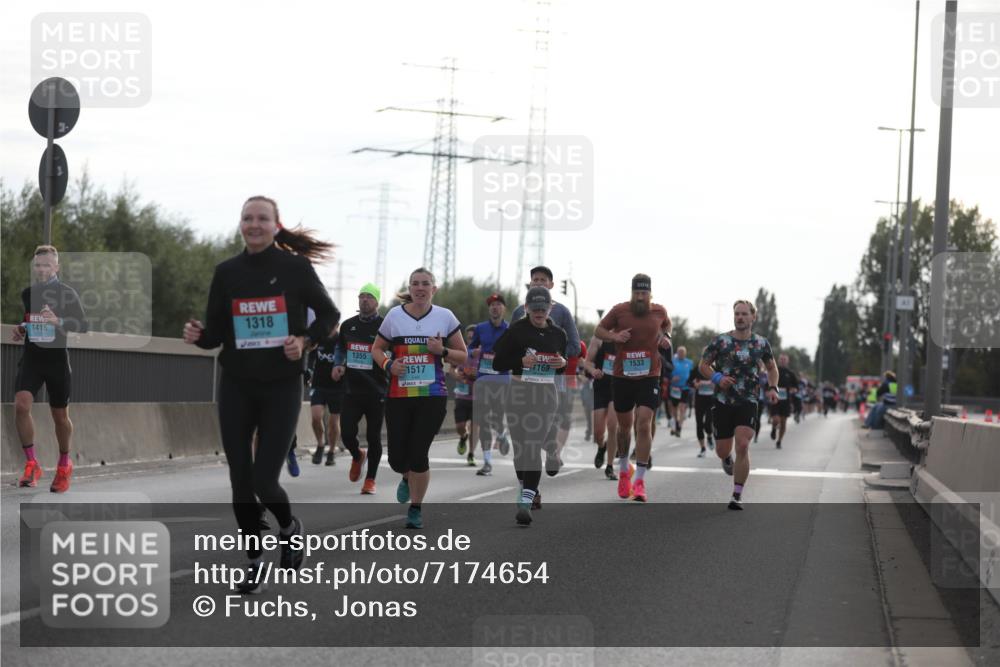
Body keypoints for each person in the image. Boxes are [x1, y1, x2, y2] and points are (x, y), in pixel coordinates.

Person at [183, 195, 338, 593]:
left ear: (275, 225)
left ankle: (289, 527)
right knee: (239, 481)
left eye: (262, 218)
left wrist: (304, 342)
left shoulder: (295, 268)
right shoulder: (227, 271)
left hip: (282, 385)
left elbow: (330, 316)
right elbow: (217, 333)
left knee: (264, 481)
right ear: (241, 224)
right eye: (247, 218)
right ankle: (253, 559)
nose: (254, 224)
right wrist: (199, 336)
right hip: (236, 383)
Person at [371, 268, 467, 530]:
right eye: (415, 284)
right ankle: (405, 476)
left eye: (425, 284)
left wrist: (443, 350)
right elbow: (376, 349)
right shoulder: (394, 316)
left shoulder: (444, 317)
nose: (420, 288)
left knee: (419, 452)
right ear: (410, 288)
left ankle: (416, 508)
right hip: (399, 396)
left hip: (432, 396)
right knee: (397, 458)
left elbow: (463, 356)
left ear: (433, 289)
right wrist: (389, 364)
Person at [13, 245, 87, 492]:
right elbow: (29, 318)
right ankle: (32, 463)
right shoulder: (28, 293)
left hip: (56, 361)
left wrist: (58, 321)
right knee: (21, 405)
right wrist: (21, 328)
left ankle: (64, 465)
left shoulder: (67, 294)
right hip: (33, 358)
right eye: (38, 265)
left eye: (46, 265)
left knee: (60, 416)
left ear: (56, 267)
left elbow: (83, 325)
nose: (42, 269)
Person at [491, 286, 567, 526]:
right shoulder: (516, 331)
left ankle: (526, 501)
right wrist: (519, 361)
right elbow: (497, 363)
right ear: (526, 308)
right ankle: (525, 486)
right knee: (521, 448)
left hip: (545, 394)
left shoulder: (558, 334)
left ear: (550, 308)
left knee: (533, 445)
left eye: (543, 308)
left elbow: (562, 364)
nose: (539, 312)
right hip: (518, 393)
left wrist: (562, 362)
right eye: (534, 308)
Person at [595, 274, 671, 502]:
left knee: (644, 423)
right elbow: (599, 330)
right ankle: (624, 472)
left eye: (644, 293)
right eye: (637, 293)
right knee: (624, 427)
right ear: (632, 293)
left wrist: (666, 336)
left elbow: (667, 324)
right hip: (622, 376)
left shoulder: (659, 311)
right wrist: (614, 335)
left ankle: (639, 480)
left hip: (650, 375)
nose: (640, 297)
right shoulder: (619, 310)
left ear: (650, 294)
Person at [698, 300, 778, 511]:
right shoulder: (721, 341)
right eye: (737, 314)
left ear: (753, 317)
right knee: (723, 449)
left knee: (742, 444)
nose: (740, 317)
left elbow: (772, 368)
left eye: (744, 314)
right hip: (723, 401)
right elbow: (703, 365)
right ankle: (726, 458)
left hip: (748, 400)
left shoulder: (761, 343)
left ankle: (737, 495)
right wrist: (717, 378)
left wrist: (772, 388)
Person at [510, 267, 581, 472]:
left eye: (543, 280)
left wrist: (558, 356)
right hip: (523, 380)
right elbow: (509, 344)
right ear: (530, 284)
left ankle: (551, 453)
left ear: (550, 285)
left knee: (545, 427)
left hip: (551, 381)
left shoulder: (562, 312)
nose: (539, 283)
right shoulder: (518, 311)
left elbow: (575, 345)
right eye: (535, 280)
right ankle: (530, 487)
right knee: (524, 434)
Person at [331, 283, 388, 493]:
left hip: (377, 390)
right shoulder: (348, 325)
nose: (364, 300)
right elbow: (339, 347)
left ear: (376, 301)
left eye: (369, 297)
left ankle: (370, 480)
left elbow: (394, 352)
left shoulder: (386, 326)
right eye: (361, 296)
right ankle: (357, 455)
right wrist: (338, 364)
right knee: (346, 434)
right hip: (352, 390)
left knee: (374, 437)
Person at [468, 293, 511, 476]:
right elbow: (469, 348)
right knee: (483, 420)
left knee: (496, 418)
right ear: (489, 309)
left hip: (502, 379)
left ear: (504, 309)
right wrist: (473, 353)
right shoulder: (480, 328)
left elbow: (517, 351)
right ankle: (487, 462)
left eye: (498, 304)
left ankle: (501, 435)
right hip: (483, 379)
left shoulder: (510, 329)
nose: (495, 307)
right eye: (492, 305)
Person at [582, 336, 619, 480]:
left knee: (612, 425)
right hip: (600, 388)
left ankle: (610, 467)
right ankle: (601, 446)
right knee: (598, 432)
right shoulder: (599, 339)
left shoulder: (628, 339)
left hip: (617, 389)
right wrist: (593, 371)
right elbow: (587, 362)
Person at [306, 323, 342, 467]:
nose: (329, 328)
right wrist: (308, 370)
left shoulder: (341, 340)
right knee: (316, 417)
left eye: (332, 325)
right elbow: (310, 357)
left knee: (333, 422)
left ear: (337, 325)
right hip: (319, 384)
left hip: (337, 387)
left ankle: (331, 451)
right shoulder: (319, 339)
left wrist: (343, 369)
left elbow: (347, 357)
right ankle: (320, 445)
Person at [449, 325, 479, 468]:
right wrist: (457, 376)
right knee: (460, 426)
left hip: (479, 398)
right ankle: (463, 436)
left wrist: (478, 375)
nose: (472, 338)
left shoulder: (484, 354)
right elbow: (451, 369)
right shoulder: (462, 352)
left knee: (475, 426)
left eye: (474, 336)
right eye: (469, 336)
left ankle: (471, 454)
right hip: (462, 395)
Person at [768, 354, 799, 449]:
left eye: (784, 359)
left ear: (787, 361)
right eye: (781, 359)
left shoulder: (790, 373)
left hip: (786, 400)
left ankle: (779, 441)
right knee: (776, 419)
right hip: (775, 399)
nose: (782, 361)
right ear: (778, 360)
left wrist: (793, 390)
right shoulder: (774, 371)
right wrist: (768, 391)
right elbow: (767, 383)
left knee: (783, 423)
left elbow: (796, 387)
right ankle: (773, 428)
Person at [668, 346, 694, 437]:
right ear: (677, 353)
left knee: (682, 407)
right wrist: (671, 378)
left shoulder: (690, 363)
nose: (681, 354)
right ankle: (675, 422)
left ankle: (679, 427)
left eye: (683, 352)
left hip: (685, 388)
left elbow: (692, 375)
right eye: (679, 352)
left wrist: (691, 382)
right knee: (674, 408)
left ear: (685, 353)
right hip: (674, 388)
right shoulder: (673, 362)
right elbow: (667, 373)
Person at [691, 366, 715, 457]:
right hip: (699, 400)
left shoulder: (715, 368)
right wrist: (695, 384)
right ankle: (702, 448)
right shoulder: (697, 368)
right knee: (699, 424)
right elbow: (690, 380)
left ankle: (709, 436)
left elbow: (721, 381)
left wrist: (715, 384)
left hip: (711, 400)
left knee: (708, 423)